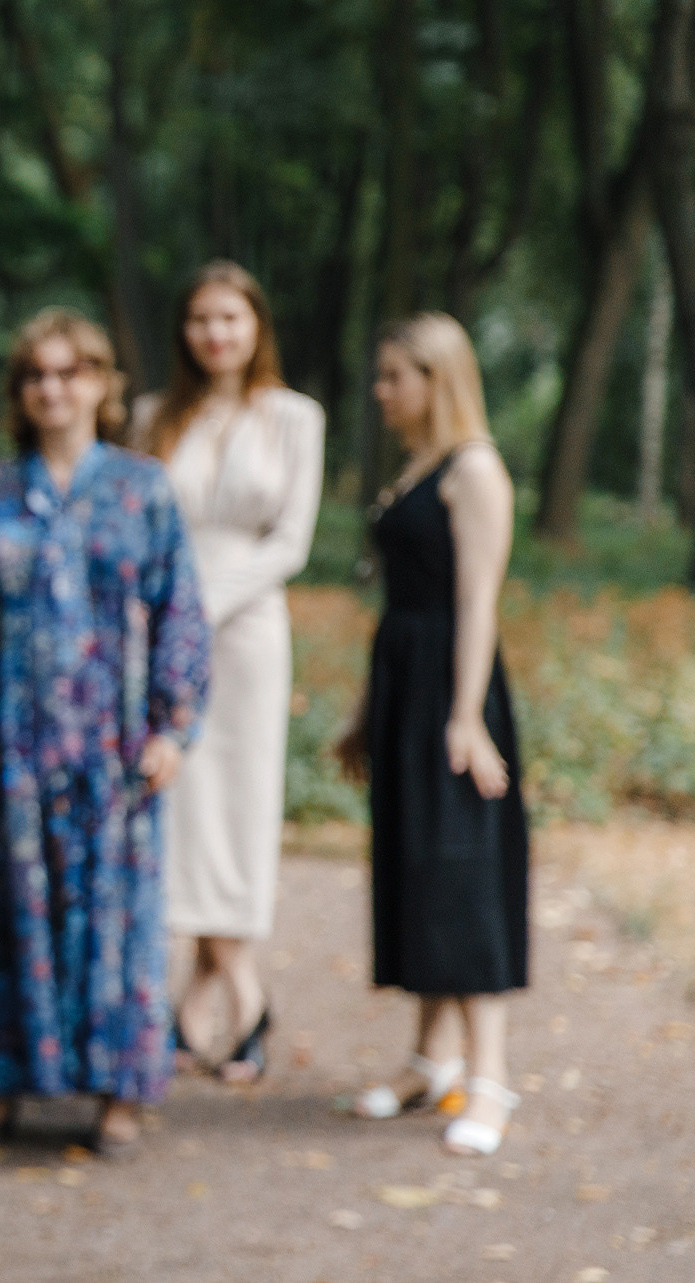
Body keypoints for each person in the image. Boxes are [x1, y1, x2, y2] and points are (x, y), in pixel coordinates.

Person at [0, 308, 211, 1156]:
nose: (54, 387)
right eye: (37, 374)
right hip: (11, 747)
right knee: (10, 913)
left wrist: (173, 724)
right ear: (20, 390)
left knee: (119, 918)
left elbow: (179, 612)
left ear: (102, 383)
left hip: (112, 749)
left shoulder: (142, 488)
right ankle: (9, 1079)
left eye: (71, 371)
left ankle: (119, 1087)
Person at [336, 312, 528, 1159]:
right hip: (404, 684)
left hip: (455, 686)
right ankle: (429, 1060)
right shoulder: (416, 464)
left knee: (462, 871)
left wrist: (464, 714)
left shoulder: (476, 469)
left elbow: (479, 599)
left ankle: (489, 1079)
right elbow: (400, 602)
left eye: (393, 378)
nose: (381, 393)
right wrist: (362, 713)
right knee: (416, 866)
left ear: (436, 379)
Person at [136, 263, 324, 1084]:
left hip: (247, 630)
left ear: (257, 326)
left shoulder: (293, 418)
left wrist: (205, 604)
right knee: (184, 803)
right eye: (201, 319)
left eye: (231, 319)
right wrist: (164, 616)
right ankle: (234, 997)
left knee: (240, 805)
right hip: (162, 633)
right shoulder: (153, 417)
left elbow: (291, 541)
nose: (216, 334)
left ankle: (212, 1000)